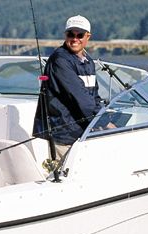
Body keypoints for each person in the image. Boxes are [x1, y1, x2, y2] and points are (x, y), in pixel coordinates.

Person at [33, 15, 112, 163]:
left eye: (79, 35)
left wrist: (101, 115)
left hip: (81, 130)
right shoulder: (60, 60)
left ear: (88, 36)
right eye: (71, 34)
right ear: (65, 35)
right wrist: (104, 122)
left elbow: (93, 96)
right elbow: (79, 97)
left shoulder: (88, 61)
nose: (75, 39)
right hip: (64, 133)